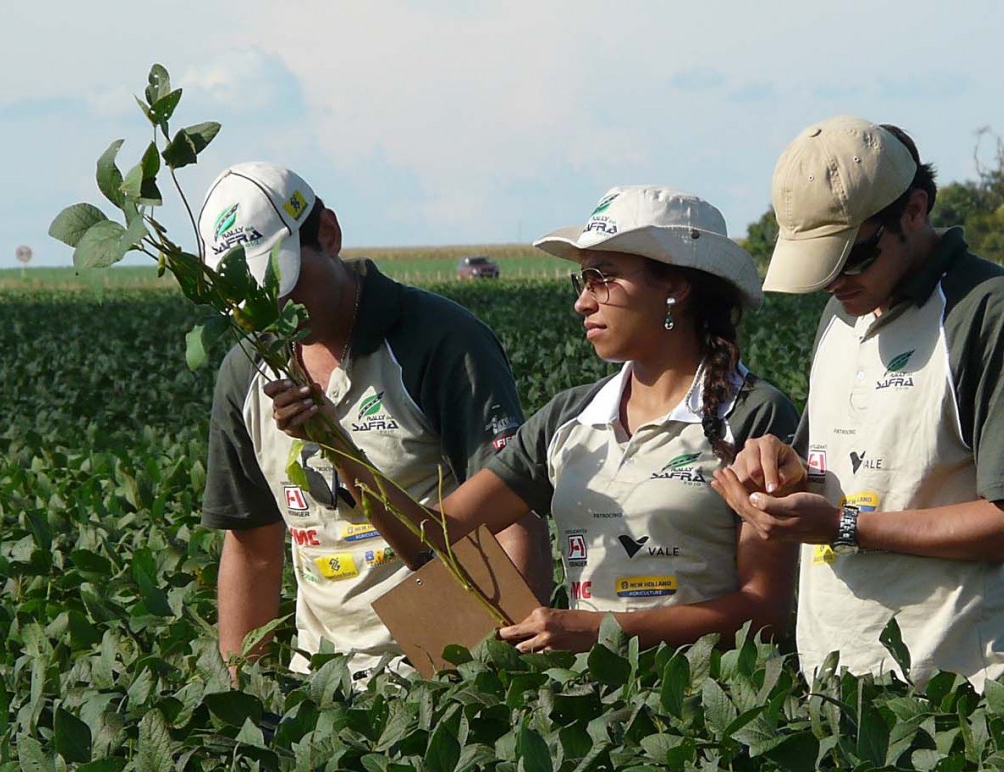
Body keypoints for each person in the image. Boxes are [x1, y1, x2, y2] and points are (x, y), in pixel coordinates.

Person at [270, 185, 800, 653]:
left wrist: (601, 632)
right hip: (589, 709)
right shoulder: (567, 418)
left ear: (676, 288)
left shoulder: (754, 414)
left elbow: (766, 614)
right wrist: (338, 445)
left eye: (603, 279)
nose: (582, 302)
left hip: (713, 717)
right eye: (582, 281)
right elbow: (430, 539)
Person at [712, 118, 1004, 693]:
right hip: (834, 686)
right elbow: (831, 471)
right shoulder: (841, 314)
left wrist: (844, 526)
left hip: (958, 697)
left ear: (914, 209)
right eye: (820, 264)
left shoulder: (991, 310)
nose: (834, 281)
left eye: (851, 257)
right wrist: (777, 469)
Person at [197, 161, 550, 681]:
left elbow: (511, 517)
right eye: (253, 294)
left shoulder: (440, 341)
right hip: (318, 678)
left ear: (329, 234)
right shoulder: (244, 372)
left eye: (286, 279)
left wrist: (501, 675)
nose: (276, 304)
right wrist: (239, 689)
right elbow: (252, 547)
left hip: (445, 674)